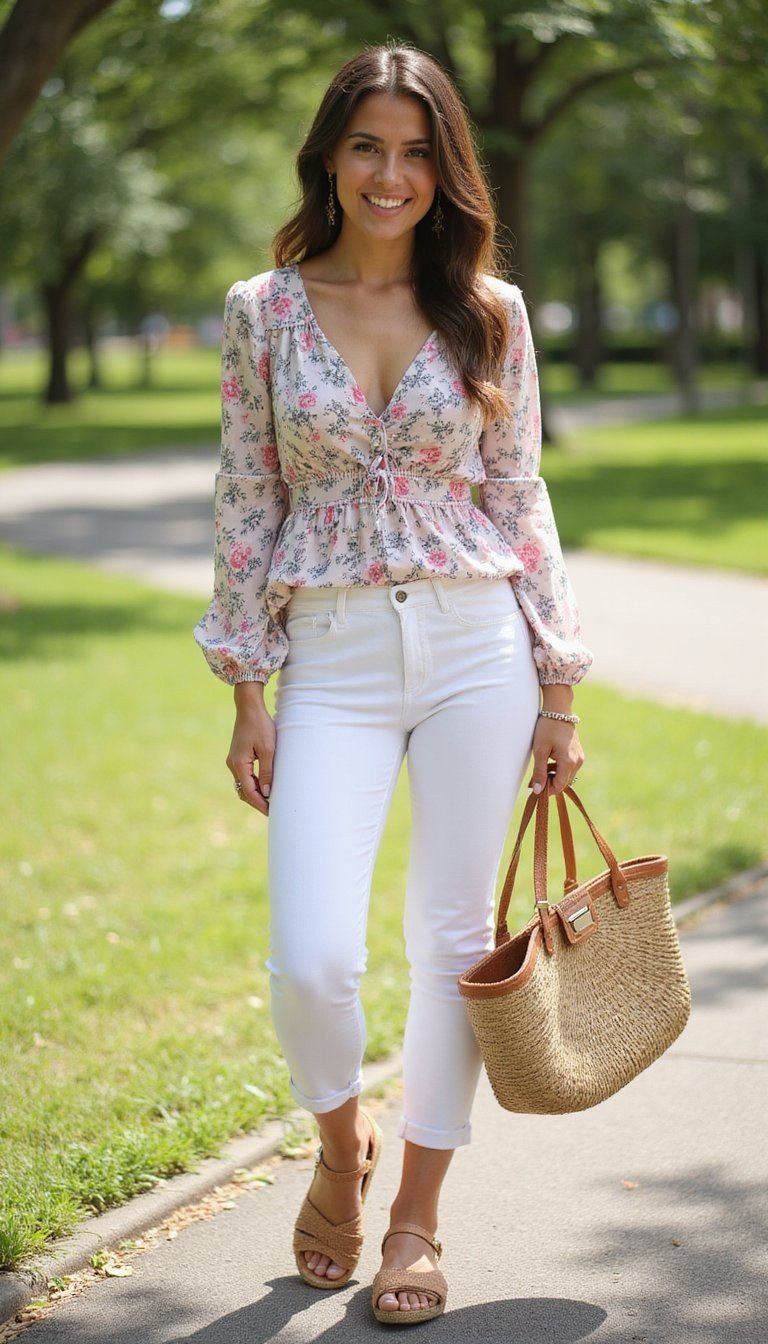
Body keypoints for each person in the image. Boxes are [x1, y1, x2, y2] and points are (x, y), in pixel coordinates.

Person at [193, 40, 593, 1326]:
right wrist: (247, 690)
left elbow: (517, 493)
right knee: (311, 955)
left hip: (479, 640)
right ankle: (338, 1148)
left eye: (417, 150)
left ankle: (416, 1219)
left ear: (446, 167)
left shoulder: (491, 309)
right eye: (368, 144)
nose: (392, 173)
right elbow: (248, 503)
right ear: (329, 154)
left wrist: (560, 683)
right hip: (335, 655)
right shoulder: (262, 308)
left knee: (452, 944)